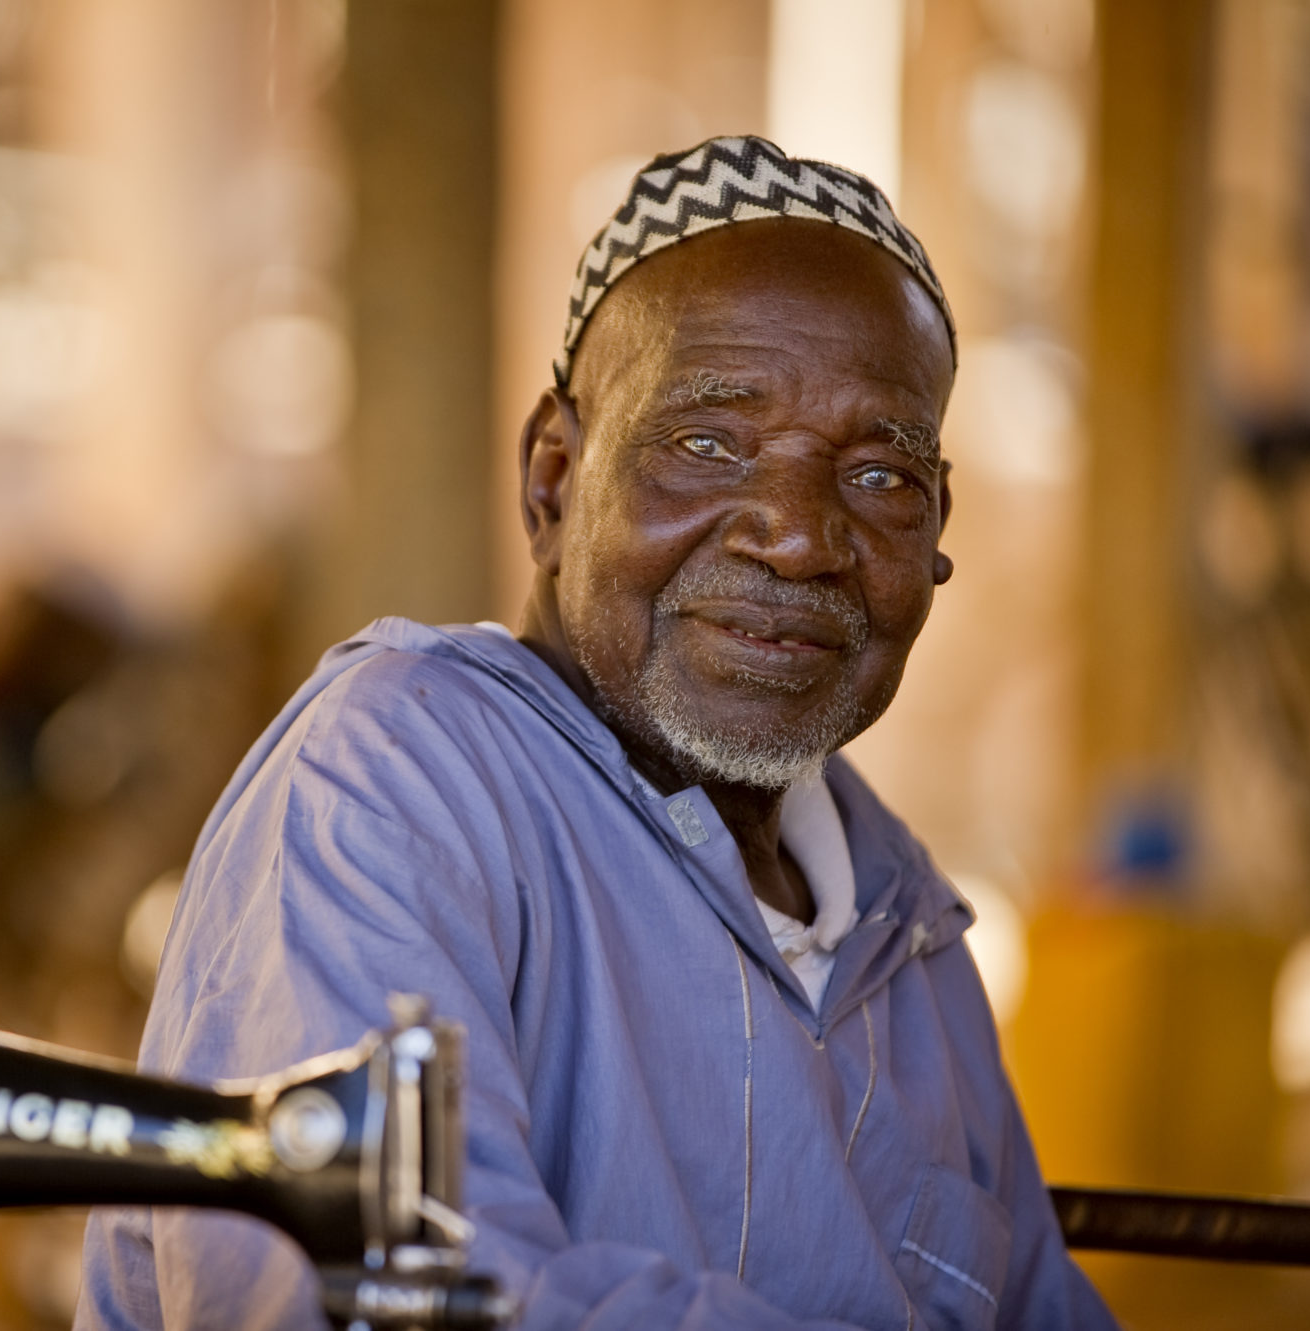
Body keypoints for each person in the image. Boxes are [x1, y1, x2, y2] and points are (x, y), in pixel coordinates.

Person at [78, 135, 1117, 1330]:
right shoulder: (396, 779)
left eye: (878, 475)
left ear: (937, 541)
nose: (794, 533)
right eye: (706, 443)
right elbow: (388, 1300)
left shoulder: (903, 922)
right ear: (554, 481)